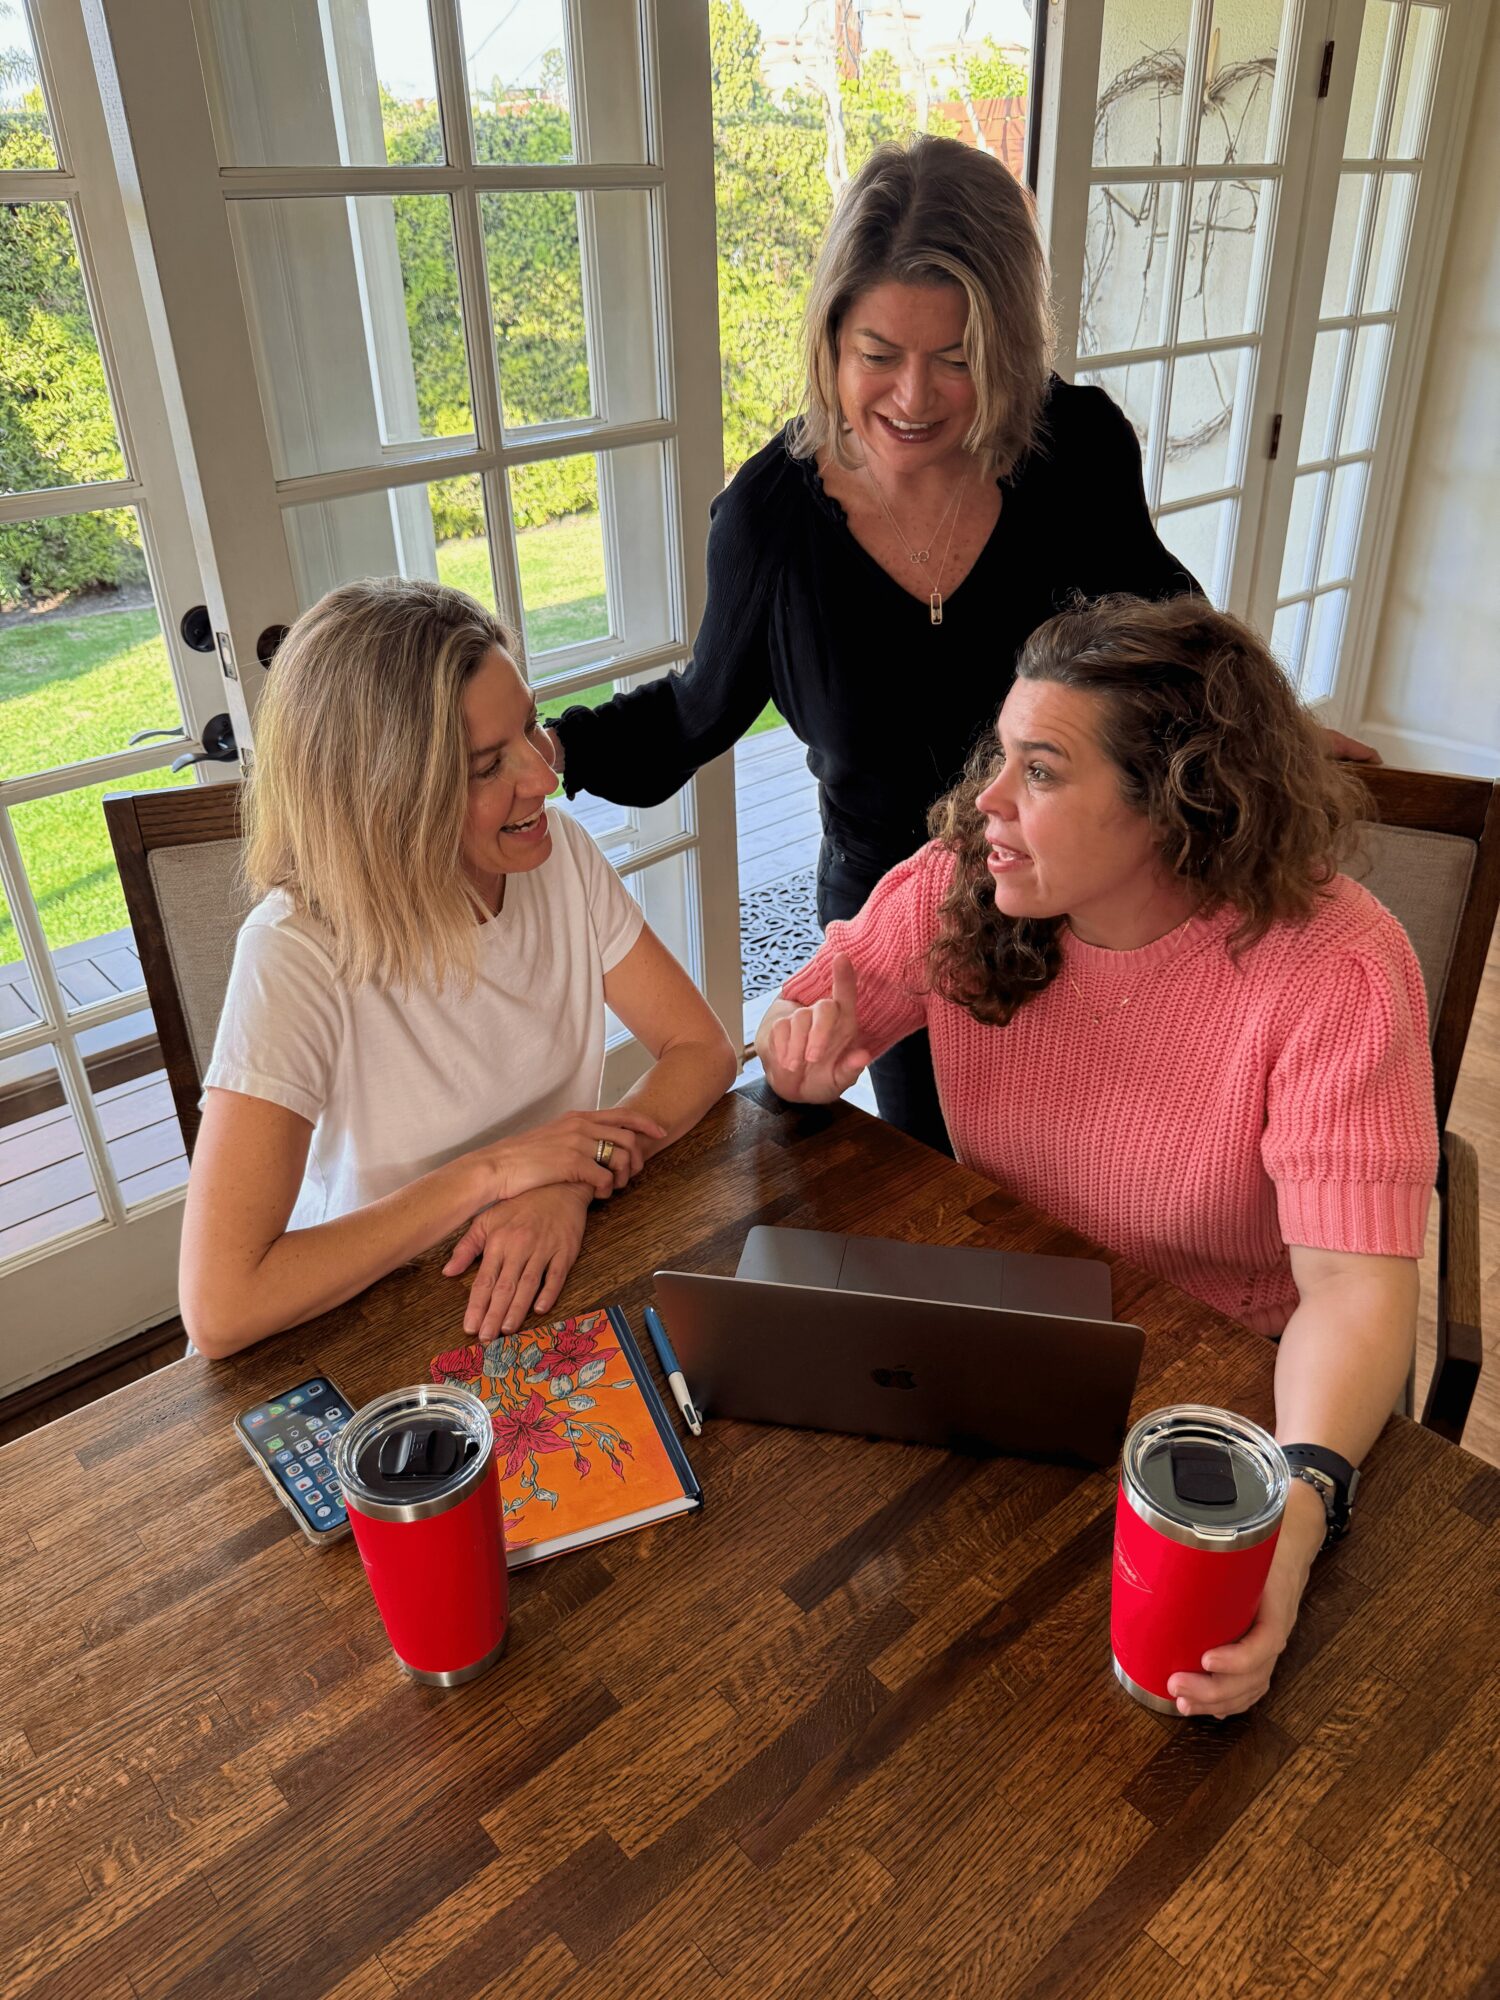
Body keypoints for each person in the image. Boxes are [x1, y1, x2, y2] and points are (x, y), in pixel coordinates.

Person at [545, 133, 1373, 1153]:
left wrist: (1269, 727)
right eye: (878, 356)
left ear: (1009, 347)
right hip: (905, 935)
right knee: (948, 1189)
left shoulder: (1074, 451)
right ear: (830, 340)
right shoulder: (769, 523)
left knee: (1111, 1175)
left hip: (1095, 898)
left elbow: (1175, 639)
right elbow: (691, 714)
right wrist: (548, 750)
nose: (914, 398)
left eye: (958, 360)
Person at [755, 594, 1436, 1719]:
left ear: (1175, 802)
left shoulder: (1337, 967)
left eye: (1042, 771)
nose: (989, 800)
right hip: (1011, 1344)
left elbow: (1355, 1289)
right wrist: (799, 1056)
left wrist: (1298, 1512)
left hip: (1223, 1383)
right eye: (1000, 756)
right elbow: (807, 1010)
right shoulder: (964, 885)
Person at [180, 578, 736, 1359]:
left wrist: (569, 1180)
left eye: (531, 726)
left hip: (548, 1274)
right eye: (485, 767)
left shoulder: (560, 858)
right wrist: (495, 1173)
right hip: (374, 1323)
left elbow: (701, 1049)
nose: (544, 777)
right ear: (386, 799)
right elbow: (221, 1306)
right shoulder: (295, 953)